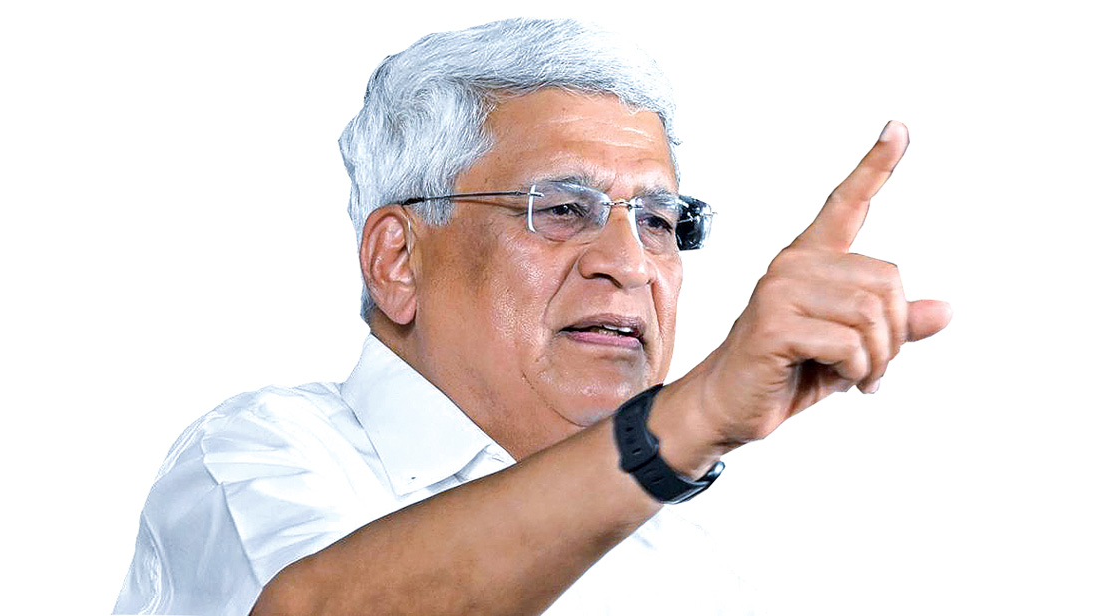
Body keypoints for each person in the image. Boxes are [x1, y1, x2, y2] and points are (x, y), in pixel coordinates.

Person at [115, 17, 951, 616]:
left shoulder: (695, 562)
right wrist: (690, 418)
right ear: (399, 260)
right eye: (561, 209)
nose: (630, 263)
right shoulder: (260, 457)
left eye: (659, 221)